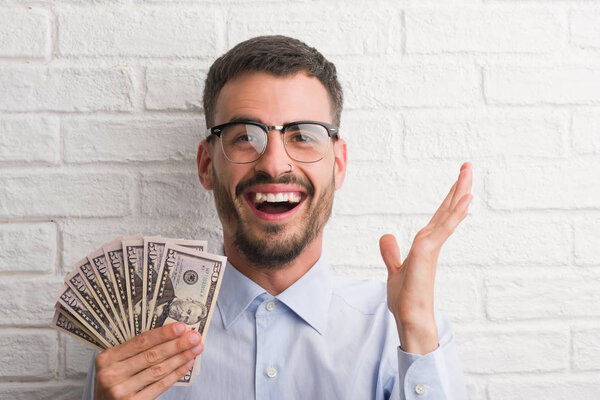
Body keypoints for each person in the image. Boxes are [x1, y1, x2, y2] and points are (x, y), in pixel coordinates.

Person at [83, 35, 472, 400]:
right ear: (206, 165)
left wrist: (417, 328)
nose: (274, 163)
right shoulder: (135, 340)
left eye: (302, 135)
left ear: (338, 165)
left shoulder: (402, 332)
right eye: (244, 136)